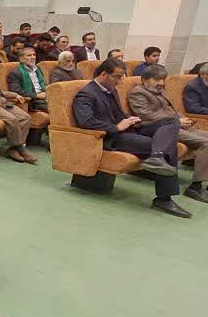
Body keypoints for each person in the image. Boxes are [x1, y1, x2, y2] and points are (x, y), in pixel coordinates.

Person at [73, 58, 189, 217]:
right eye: (117, 77)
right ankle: (164, 198)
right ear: (104, 74)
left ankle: (157, 157)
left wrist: (132, 120)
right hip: (111, 137)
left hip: (128, 130)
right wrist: (116, 127)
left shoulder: (111, 89)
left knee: (171, 121)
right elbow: (86, 121)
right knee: (169, 147)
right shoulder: (86, 94)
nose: (120, 81)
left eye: (122, 77)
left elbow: (119, 114)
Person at [128, 64, 208, 204]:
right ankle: (196, 187)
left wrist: (184, 119)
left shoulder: (161, 91)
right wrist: (177, 121)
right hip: (164, 129)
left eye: (163, 79)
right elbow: (145, 115)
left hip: (182, 126)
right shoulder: (137, 93)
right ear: (145, 80)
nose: (161, 83)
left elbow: (173, 110)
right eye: (156, 79)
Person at [7, 46, 49, 112]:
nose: (33, 57)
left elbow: (43, 84)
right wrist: (37, 95)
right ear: (21, 59)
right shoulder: (15, 73)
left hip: (45, 95)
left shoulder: (38, 69)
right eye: (29, 55)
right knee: (56, 106)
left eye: (34, 55)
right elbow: (16, 91)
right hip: (32, 100)